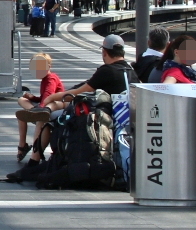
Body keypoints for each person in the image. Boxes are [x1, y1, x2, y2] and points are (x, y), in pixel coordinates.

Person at [20, 34, 138, 164]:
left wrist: (53, 97)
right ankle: (44, 110)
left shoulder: (107, 71)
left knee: (48, 119)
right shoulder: (131, 72)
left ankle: (34, 161)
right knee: (53, 111)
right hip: (126, 122)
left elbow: (78, 92)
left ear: (104, 52)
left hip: (103, 120)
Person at [15, 53, 64, 162]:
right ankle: (23, 144)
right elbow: (43, 97)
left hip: (52, 107)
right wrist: (34, 98)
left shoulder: (51, 78)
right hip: (44, 106)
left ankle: (32, 153)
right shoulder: (45, 79)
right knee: (21, 102)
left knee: (40, 120)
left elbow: (49, 95)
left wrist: (41, 105)